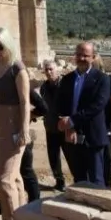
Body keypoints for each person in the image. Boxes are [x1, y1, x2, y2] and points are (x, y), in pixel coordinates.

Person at [0, 27, 30, 220]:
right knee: (14, 177)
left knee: (5, 180)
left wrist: (24, 130)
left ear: (8, 44)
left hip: (13, 127)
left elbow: (25, 101)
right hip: (0, 126)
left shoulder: (17, 68)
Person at [57, 41, 111, 186]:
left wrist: (72, 120)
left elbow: (97, 106)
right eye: (79, 55)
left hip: (93, 136)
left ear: (93, 57)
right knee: (79, 179)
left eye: (85, 56)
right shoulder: (67, 79)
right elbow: (61, 105)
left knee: (96, 180)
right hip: (72, 137)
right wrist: (69, 127)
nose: (81, 58)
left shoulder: (102, 79)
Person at [0, 87, 49, 202]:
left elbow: (43, 108)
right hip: (0, 137)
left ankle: (34, 202)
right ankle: (6, 202)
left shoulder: (25, 89)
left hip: (20, 136)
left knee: (25, 171)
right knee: (2, 171)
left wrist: (26, 116)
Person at [39, 60, 68, 191]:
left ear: (58, 70)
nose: (49, 72)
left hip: (66, 127)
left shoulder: (65, 85)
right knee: (53, 156)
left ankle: (80, 181)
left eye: (51, 69)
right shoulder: (43, 87)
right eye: (47, 70)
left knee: (71, 155)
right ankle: (59, 181)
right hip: (50, 127)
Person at [94, 56, 111, 188]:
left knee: (107, 156)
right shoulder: (87, 80)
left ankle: (107, 185)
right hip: (92, 124)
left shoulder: (108, 80)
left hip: (106, 124)